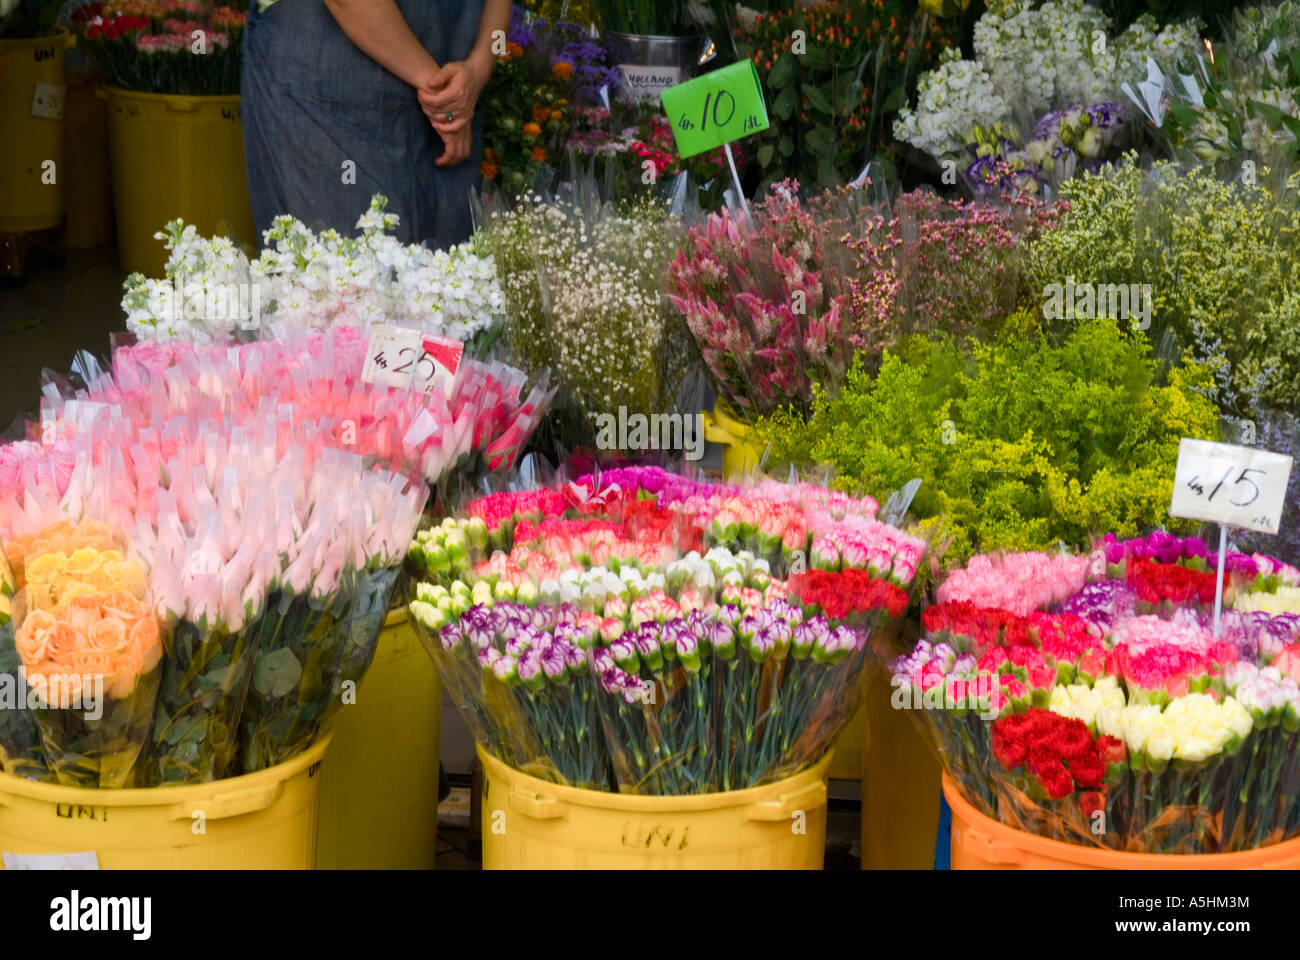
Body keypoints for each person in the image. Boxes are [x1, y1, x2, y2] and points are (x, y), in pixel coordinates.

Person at [242, 0, 509, 250]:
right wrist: (447, 95)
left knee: (453, 283)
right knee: (344, 282)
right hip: (329, 83)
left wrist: (476, 71)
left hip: (449, 98)